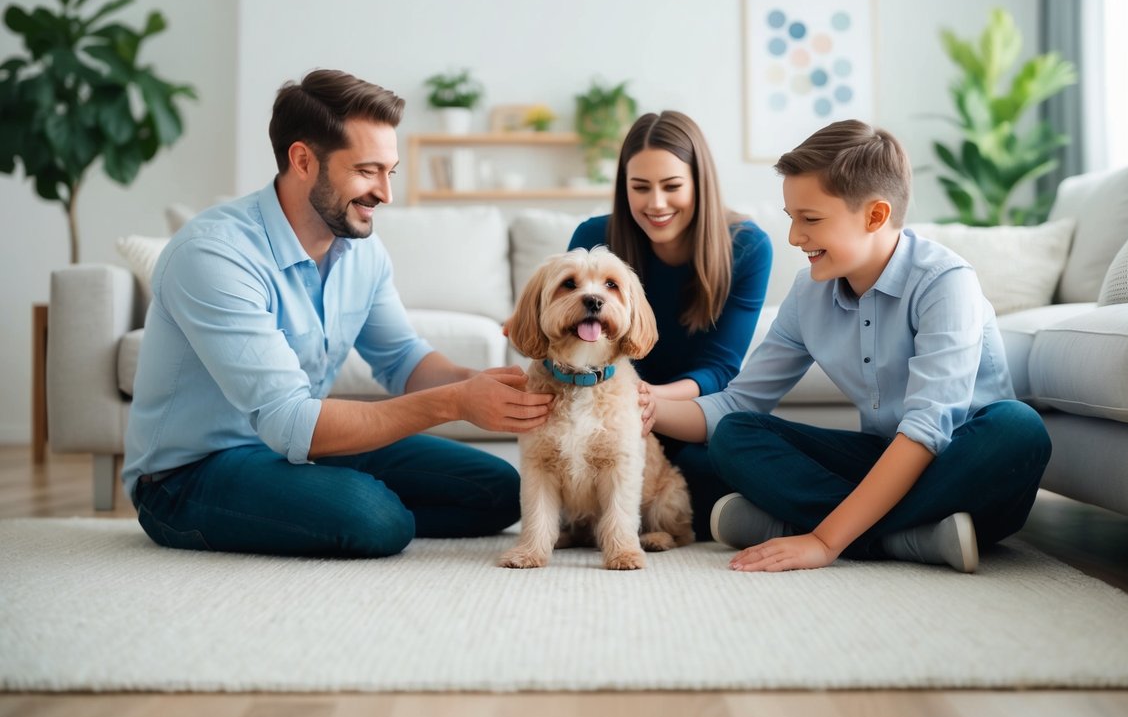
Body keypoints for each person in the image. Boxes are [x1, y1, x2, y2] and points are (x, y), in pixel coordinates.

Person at [123, 69, 552, 558]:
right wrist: (455, 403)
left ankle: (322, 507)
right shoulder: (215, 255)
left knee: (497, 489)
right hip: (190, 473)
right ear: (303, 160)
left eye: (390, 172)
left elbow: (405, 361)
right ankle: (348, 508)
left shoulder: (361, 251)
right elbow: (290, 422)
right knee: (373, 519)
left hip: (298, 451)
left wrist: (493, 388)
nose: (386, 195)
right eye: (368, 171)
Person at [648, 119, 1051, 573]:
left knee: (1019, 428)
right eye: (792, 218)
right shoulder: (809, 293)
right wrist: (640, 404)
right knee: (736, 434)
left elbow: (925, 430)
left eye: (811, 219)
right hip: (882, 462)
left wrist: (823, 540)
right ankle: (912, 539)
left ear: (875, 216)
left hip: (967, 470)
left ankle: (820, 528)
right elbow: (739, 402)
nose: (794, 237)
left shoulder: (945, 282)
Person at [568, 111, 773, 539]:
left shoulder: (748, 246)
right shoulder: (594, 237)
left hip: (684, 411)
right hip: (607, 414)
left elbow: (720, 367)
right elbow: (570, 337)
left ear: (700, 182)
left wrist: (645, 400)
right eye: (639, 187)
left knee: (713, 469)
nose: (655, 204)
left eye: (672, 186)